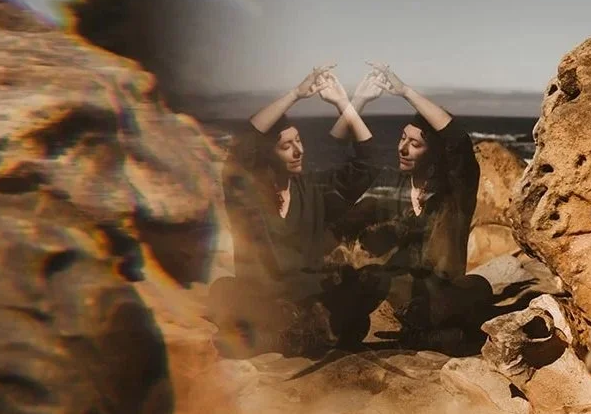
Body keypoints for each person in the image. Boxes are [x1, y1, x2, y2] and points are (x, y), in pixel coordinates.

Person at [210, 65, 377, 355]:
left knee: (364, 286)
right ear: (267, 154)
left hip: (309, 298)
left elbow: (366, 167)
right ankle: (297, 334)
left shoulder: (312, 188)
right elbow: (242, 145)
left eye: (299, 141)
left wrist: (344, 104)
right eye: (286, 146)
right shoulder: (246, 195)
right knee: (224, 291)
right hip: (264, 300)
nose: (298, 150)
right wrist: (296, 94)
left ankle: (287, 335)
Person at [328, 63, 493, 349]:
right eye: (402, 138)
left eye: (415, 144)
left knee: (479, 287)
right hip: (409, 299)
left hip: (444, 297)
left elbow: (458, 141)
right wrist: (358, 102)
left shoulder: (455, 194)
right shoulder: (395, 192)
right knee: (367, 278)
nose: (402, 148)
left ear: (435, 153)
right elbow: (338, 174)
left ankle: (429, 334)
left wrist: (404, 91)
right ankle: (341, 328)